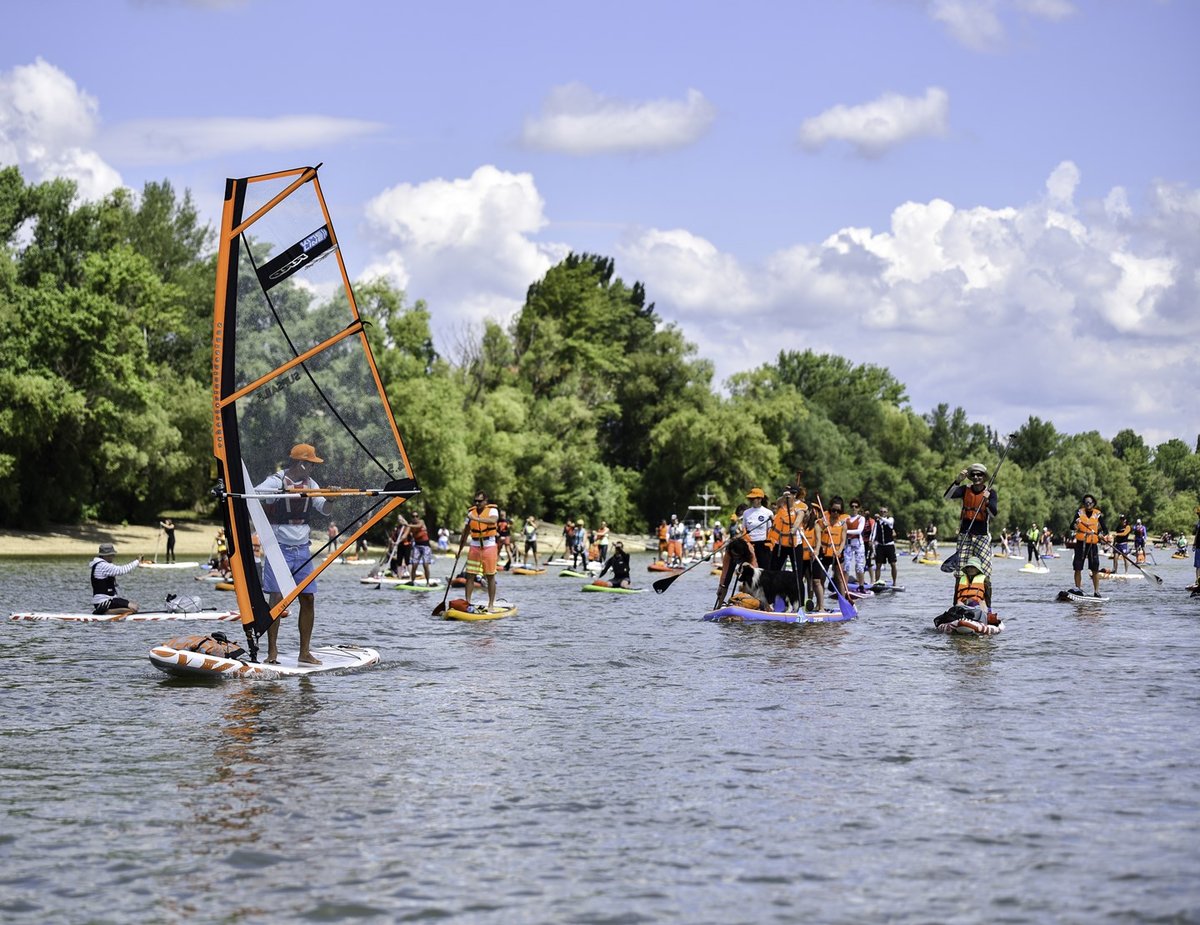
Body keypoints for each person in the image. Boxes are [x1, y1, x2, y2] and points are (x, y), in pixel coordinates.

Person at [255, 443, 334, 665]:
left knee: (308, 599)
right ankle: (272, 653)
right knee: (277, 600)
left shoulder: (312, 483)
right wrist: (280, 493)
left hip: (302, 550)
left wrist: (330, 500)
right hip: (278, 548)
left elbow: (324, 509)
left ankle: (304, 652)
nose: (313, 468)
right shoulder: (277, 480)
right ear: (301, 463)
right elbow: (254, 494)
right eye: (311, 464)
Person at [944, 462, 998, 582]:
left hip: (982, 537)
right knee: (959, 571)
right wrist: (957, 481)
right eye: (973, 475)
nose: (976, 477)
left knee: (986, 570)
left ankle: (984, 597)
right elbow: (947, 496)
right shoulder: (965, 490)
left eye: (979, 475)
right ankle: (959, 597)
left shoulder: (991, 493)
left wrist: (987, 501)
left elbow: (993, 514)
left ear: (984, 477)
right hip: (965, 536)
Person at [459, 490, 500, 612]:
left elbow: (492, 521)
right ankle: (467, 602)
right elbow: (466, 532)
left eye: (480, 501)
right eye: (475, 501)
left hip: (489, 545)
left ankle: (491, 604)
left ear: (485, 501)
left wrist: (475, 518)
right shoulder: (471, 513)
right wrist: (460, 549)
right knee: (470, 575)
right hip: (475, 545)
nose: (477, 503)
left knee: (490, 576)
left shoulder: (492, 510)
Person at [1069, 494, 1108, 598]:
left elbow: (1105, 529)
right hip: (1081, 543)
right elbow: (1071, 526)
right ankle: (1078, 589)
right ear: (1084, 504)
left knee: (1095, 568)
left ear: (1093, 504)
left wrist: (1101, 535)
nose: (1088, 504)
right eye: (1086, 503)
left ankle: (1096, 591)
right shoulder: (1079, 513)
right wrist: (1075, 524)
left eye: (1090, 503)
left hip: (1092, 544)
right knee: (1077, 567)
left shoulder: (1097, 514)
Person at [89, 542, 142, 615]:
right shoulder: (103, 566)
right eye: (112, 554)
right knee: (134, 608)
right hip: (104, 602)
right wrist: (137, 562)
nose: (114, 556)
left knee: (134, 607)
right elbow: (122, 570)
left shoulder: (100, 564)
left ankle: (106, 611)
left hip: (106, 601)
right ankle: (104, 612)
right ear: (106, 556)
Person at [742, 488, 773, 567]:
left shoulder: (768, 513)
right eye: (750, 499)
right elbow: (744, 529)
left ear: (760, 499)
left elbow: (770, 531)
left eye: (754, 498)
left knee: (764, 569)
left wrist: (768, 545)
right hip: (749, 545)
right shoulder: (746, 513)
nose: (752, 500)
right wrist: (748, 542)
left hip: (763, 545)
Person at [871, 505, 899, 587]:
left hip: (889, 545)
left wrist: (880, 517)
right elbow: (874, 532)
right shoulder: (877, 522)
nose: (883, 513)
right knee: (878, 565)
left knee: (893, 564)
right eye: (881, 512)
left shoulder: (890, 520)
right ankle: (876, 582)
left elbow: (889, 523)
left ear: (887, 513)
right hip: (880, 546)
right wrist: (872, 541)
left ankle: (894, 582)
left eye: (884, 512)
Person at [843, 499, 867, 590]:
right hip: (848, 545)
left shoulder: (861, 518)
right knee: (846, 566)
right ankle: (844, 587)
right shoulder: (846, 518)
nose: (854, 508)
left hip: (858, 545)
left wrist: (846, 531)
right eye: (852, 506)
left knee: (859, 566)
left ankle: (861, 586)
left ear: (859, 508)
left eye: (856, 506)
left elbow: (859, 531)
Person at [407, 511, 434, 585]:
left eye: (416, 516)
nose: (415, 518)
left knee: (425, 565)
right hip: (417, 546)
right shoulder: (411, 526)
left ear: (418, 517)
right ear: (411, 518)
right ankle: (412, 581)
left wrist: (407, 524)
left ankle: (427, 582)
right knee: (414, 565)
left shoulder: (421, 522)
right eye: (413, 516)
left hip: (426, 546)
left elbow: (419, 526)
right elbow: (405, 534)